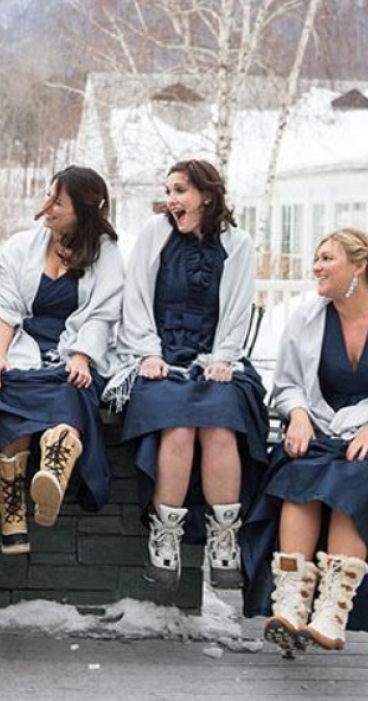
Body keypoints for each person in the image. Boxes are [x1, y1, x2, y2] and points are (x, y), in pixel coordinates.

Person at [242, 229, 368, 655]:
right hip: (323, 429)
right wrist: (297, 414)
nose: (315, 267)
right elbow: (286, 386)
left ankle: (332, 613)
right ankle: (290, 606)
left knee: (357, 475)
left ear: (359, 265)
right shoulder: (306, 319)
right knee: (299, 472)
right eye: (315, 259)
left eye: (326, 259)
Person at [106, 160, 268, 590]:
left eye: (180, 191)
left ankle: (224, 537)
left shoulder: (238, 244)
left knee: (219, 428)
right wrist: (147, 353)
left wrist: (223, 358)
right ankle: (165, 538)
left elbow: (237, 310)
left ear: (207, 196)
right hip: (157, 357)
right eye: (169, 191)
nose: (172, 200)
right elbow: (135, 299)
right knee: (177, 429)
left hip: (215, 358)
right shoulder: (154, 235)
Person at [0, 165, 123, 556]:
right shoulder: (20, 247)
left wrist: (81, 355)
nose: (46, 207)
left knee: (71, 387)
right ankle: (13, 505)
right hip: (26, 348)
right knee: (5, 388)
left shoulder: (105, 252)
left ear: (82, 209)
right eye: (47, 196)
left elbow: (103, 312)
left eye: (57, 201)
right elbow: (5, 307)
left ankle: (56, 466)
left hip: (74, 352)